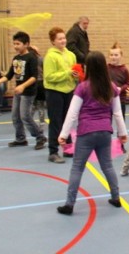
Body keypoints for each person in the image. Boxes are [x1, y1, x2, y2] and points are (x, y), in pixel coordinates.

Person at [56, 51, 128, 215]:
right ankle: (116, 197)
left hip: (86, 132)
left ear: (87, 67)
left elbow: (72, 113)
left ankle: (69, 204)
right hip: (104, 132)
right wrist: (122, 133)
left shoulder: (82, 87)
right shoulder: (111, 87)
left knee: (77, 168)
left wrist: (63, 134)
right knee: (107, 166)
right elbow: (117, 113)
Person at [0, 31, 47, 150]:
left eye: (18, 44)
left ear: (26, 44)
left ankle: (40, 137)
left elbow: (34, 77)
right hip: (18, 92)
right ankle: (20, 138)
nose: (15, 46)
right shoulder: (16, 58)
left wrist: (23, 86)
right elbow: (9, 75)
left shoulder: (31, 58)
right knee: (15, 116)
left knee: (25, 116)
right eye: (14, 44)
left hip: (28, 92)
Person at [44, 27, 78, 164]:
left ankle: (68, 148)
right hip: (54, 92)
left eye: (64, 38)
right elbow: (49, 76)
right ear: (53, 41)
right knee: (55, 122)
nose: (63, 41)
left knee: (67, 120)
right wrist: (67, 73)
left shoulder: (71, 55)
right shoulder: (50, 56)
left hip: (69, 91)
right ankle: (53, 151)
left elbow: (74, 71)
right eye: (59, 39)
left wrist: (76, 75)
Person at [107, 42, 129, 120]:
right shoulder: (106, 68)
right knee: (107, 120)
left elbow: (128, 84)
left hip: (120, 99)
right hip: (108, 99)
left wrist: (121, 89)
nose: (113, 57)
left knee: (121, 120)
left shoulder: (124, 69)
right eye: (111, 55)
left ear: (121, 56)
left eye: (116, 55)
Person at [29, 46, 47, 129]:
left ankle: (29, 120)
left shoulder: (29, 59)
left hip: (33, 83)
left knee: (33, 104)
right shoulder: (40, 59)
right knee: (40, 105)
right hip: (40, 83)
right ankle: (42, 122)